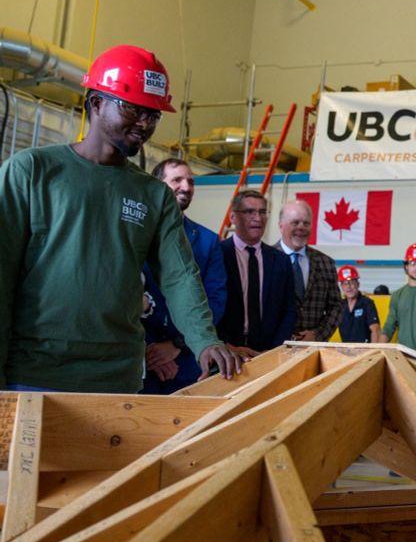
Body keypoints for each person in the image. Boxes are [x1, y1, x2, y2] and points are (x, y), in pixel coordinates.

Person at [0, 45, 239, 392]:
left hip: (117, 378)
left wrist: (205, 340)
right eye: (134, 109)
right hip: (34, 373)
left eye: (154, 115)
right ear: (96, 103)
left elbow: (180, 277)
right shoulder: (32, 172)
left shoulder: (154, 195)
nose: (145, 123)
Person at [141, 158, 228, 393]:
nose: (187, 187)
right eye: (177, 180)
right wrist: (150, 349)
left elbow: (215, 301)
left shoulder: (208, 241)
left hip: (188, 365)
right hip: (139, 363)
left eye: (190, 181)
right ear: (157, 185)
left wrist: (176, 345)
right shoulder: (135, 232)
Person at [218, 190, 297, 357]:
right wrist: (225, 345)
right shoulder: (217, 255)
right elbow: (207, 305)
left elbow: (289, 309)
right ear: (233, 217)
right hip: (227, 353)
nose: (258, 218)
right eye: (249, 212)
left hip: (269, 353)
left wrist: (275, 349)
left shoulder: (281, 261)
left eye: (262, 212)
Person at [275, 199, 343, 342]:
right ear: (281, 226)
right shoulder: (265, 259)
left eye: (306, 223)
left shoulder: (326, 263)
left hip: (313, 349)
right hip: (272, 348)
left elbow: (336, 307)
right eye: (295, 222)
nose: (301, 227)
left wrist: (318, 335)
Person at [336, 265, 381, 343]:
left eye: (351, 282)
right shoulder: (339, 306)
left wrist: (373, 351)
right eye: (345, 283)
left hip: (365, 351)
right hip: (346, 350)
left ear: (358, 284)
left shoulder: (367, 303)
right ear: (342, 287)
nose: (349, 287)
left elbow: (375, 330)